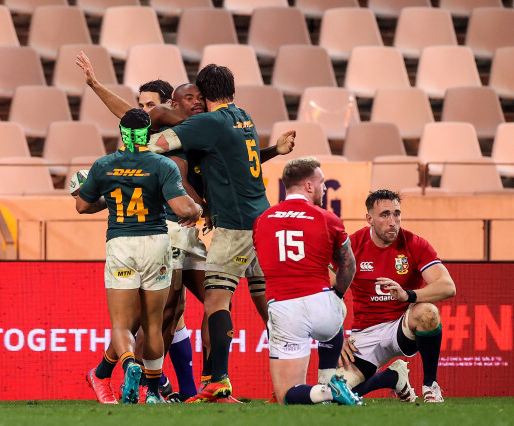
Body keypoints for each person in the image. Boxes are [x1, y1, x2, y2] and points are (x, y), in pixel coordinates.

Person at [150, 64, 295, 402]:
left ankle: (218, 381)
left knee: (216, 300)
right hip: (263, 221)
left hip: (235, 225)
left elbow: (159, 144)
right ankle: (287, 384)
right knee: (268, 307)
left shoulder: (207, 122)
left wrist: (135, 155)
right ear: (231, 89)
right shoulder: (243, 116)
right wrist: (274, 150)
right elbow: (237, 160)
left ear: (204, 93)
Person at [77, 51, 206, 402]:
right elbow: (126, 115)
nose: (146, 110)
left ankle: (166, 385)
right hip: (166, 230)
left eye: (151, 104)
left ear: (165, 104)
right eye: (142, 107)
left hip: (153, 236)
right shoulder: (161, 142)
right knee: (164, 314)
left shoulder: (194, 129)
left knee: (176, 313)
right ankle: (159, 386)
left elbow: (83, 205)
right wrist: (97, 85)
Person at [253, 157, 362, 406]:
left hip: (284, 308)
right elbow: (349, 265)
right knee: (334, 319)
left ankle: (325, 392)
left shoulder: (262, 221)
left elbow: (265, 261)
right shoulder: (328, 219)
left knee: (286, 394)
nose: (324, 188)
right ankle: (329, 384)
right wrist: (338, 293)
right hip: (324, 306)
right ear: (309, 186)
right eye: (322, 182)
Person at [335, 189, 456, 403]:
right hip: (365, 332)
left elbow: (447, 286)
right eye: (385, 215)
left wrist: (407, 295)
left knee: (428, 312)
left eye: (397, 214)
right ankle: (393, 378)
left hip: (402, 327)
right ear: (369, 218)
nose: (393, 221)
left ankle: (430, 384)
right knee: (336, 394)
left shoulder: (414, 243)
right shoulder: (352, 246)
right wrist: (335, 335)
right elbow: (325, 290)